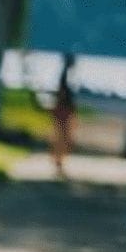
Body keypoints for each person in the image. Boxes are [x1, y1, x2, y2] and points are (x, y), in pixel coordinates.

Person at [51, 52, 78, 180]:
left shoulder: (66, 77)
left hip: (64, 110)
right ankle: (58, 162)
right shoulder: (65, 78)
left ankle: (59, 161)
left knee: (62, 137)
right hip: (64, 111)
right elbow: (62, 95)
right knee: (62, 137)